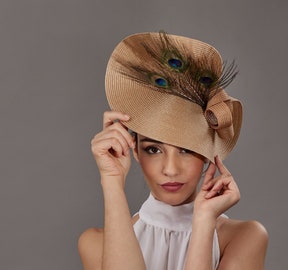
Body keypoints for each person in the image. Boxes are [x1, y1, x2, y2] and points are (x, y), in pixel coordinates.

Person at [78, 31, 268, 270]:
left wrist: (203, 224)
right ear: (134, 150)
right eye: (154, 149)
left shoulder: (244, 238)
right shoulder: (96, 243)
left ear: (208, 153)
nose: (170, 169)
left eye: (186, 150)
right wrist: (112, 182)